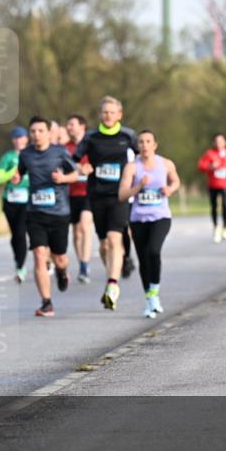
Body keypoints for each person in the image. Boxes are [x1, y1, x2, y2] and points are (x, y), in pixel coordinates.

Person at [72, 96, 137, 310]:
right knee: (104, 245)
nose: (108, 115)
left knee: (114, 238)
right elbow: (74, 160)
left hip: (120, 196)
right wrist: (82, 169)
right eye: (105, 112)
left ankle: (112, 286)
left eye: (112, 112)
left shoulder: (128, 136)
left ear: (119, 114)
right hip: (97, 195)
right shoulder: (91, 137)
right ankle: (116, 267)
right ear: (100, 114)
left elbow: (142, 159)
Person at [16, 116, 79, 317]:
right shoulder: (25, 154)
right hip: (35, 213)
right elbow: (20, 172)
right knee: (39, 255)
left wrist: (63, 178)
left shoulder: (60, 152)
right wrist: (17, 178)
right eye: (32, 131)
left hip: (59, 212)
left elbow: (76, 175)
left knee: (60, 258)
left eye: (40, 131)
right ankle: (46, 302)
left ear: (48, 133)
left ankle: (61, 272)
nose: (36, 135)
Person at [119, 130, 180, 318]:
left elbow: (176, 181)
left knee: (154, 251)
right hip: (138, 218)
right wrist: (138, 187)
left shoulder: (165, 163)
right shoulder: (132, 167)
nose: (144, 145)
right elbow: (122, 195)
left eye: (148, 142)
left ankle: (154, 292)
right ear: (137, 146)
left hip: (160, 217)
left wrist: (170, 189)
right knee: (143, 258)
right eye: (141, 142)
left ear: (155, 145)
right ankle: (150, 299)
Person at [0, 127, 30, 283]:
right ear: (13, 140)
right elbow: (0, 175)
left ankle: (21, 267)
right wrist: (12, 174)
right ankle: (18, 260)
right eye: (16, 138)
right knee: (14, 234)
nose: (18, 140)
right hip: (10, 200)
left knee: (20, 232)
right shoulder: (8, 157)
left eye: (21, 137)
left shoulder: (31, 155)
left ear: (26, 139)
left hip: (27, 200)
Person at [64, 114, 94, 284]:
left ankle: (84, 264)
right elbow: (62, 165)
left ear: (82, 126)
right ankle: (82, 262)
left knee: (84, 225)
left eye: (72, 124)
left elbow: (97, 163)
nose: (69, 128)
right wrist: (76, 168)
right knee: (76, 233)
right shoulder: (65, 148)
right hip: (71, 193)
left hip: (88, 192)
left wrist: (90, 169)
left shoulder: (91, 145)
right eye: (68, 125)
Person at [197, 134, 226, 243]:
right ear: (214, 143)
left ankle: (225, 227)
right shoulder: (209, 153)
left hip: (225, 184)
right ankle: (216, 226)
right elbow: (200, 166)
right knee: (213, 206)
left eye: (221, 141)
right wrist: (211, 167)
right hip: (213, 184)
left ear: (225, 142)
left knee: (225, 205)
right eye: (217, 141)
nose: (218, 143)